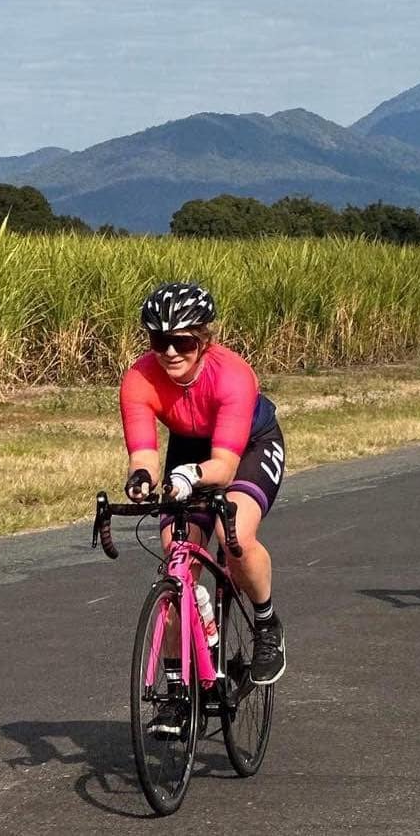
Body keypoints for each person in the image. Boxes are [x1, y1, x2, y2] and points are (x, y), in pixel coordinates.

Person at [120, 281, 287, 697]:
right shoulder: (139, 378)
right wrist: (141, 479)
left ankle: (266, 624)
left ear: (204, 340)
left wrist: (189, 476)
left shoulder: (232, 375)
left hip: (248, 445)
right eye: (159, 342)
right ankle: (178, 689)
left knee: (235, 536)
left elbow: (224, 469)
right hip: (190, 448)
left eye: (182, 342)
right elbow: (143, 454)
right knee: (176, 557)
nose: (170, 352)